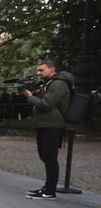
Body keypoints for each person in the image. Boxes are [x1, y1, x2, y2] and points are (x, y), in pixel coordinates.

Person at [20, 59, 72, 200]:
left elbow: (46, 104)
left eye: (41, 70)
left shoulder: (58, 84)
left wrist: (30, 97)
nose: (38, 73)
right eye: (38, 70)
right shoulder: (49, 83)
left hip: (52, 125)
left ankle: (50, 191)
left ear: (52, 69)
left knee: (50, 158)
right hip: (44, 124)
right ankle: (47, 188)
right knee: (45, 156)